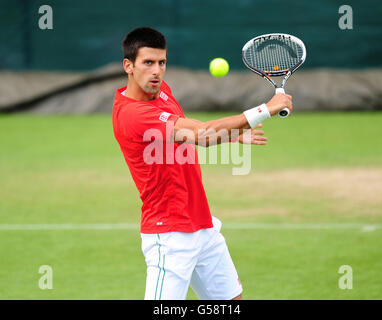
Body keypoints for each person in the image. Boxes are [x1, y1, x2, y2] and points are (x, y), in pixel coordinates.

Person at [112, 27, 292, 300]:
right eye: (148, 63)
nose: (157, 71)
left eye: (162, 63)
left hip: (202, 225)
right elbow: (202, 135)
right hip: (169, 235)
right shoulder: (132, 115)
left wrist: (230, 135)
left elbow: (190, 130)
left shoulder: (162, 92)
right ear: (129, 66)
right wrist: (265, 110)